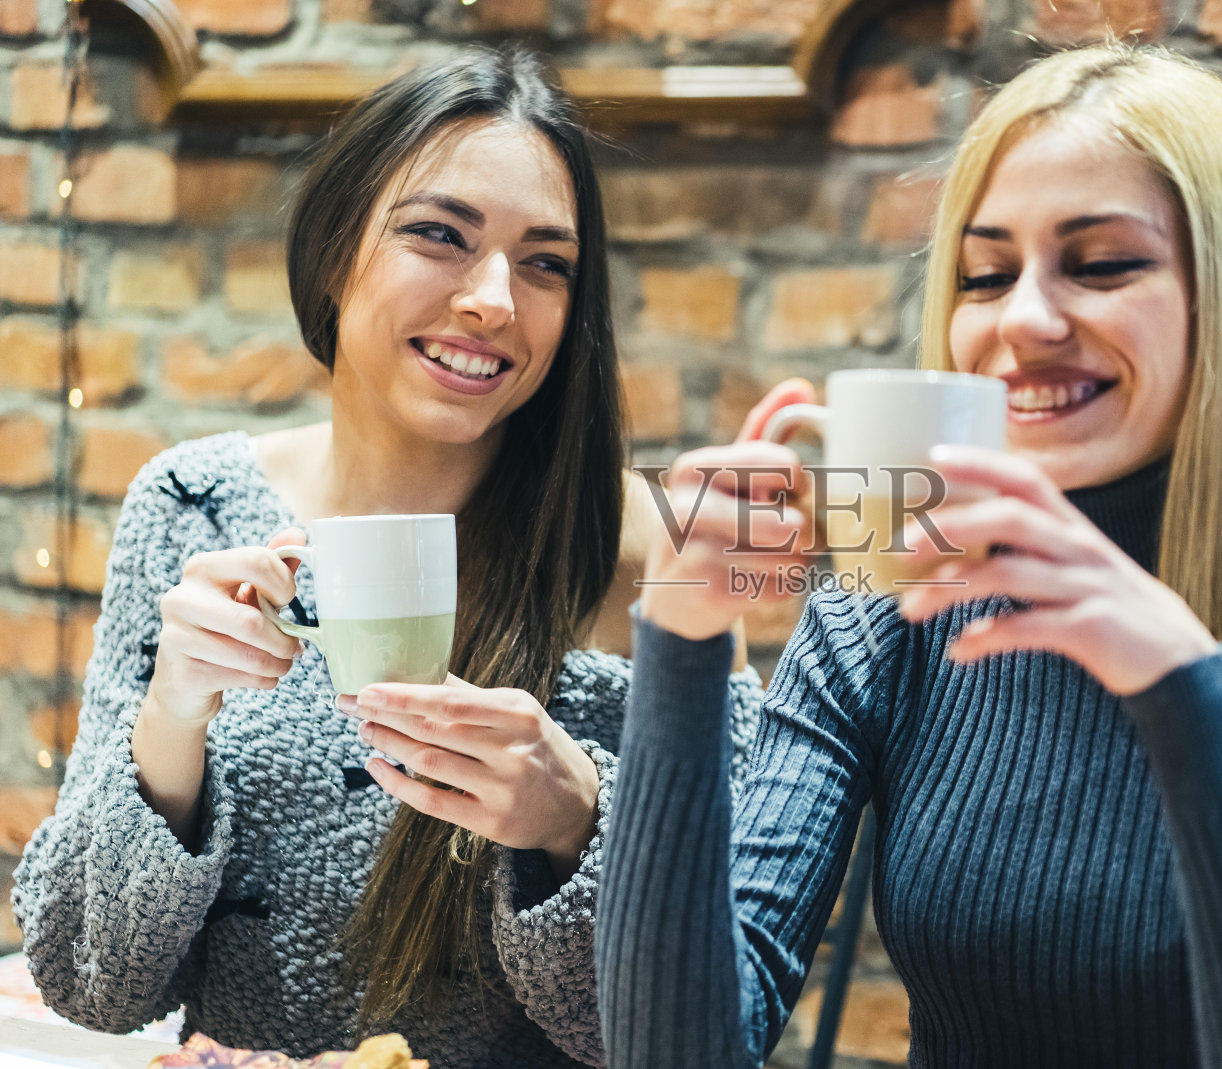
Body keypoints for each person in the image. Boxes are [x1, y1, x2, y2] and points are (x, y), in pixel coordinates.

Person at [596, 42, 1222, 1069]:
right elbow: (673, 1053)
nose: (1024, 320)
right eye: (985, 273)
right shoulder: (885, 622)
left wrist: (1183, 694)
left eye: (1100, 264)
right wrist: (683, 638)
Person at [13, 48, 760, 1069]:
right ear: (332, 252)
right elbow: (92, 983)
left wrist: (574, 815)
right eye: (440, 235)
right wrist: (169, 723)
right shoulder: (193, 507)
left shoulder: (651, 550)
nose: (494, 297)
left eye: (546, 262)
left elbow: (704, 1023)